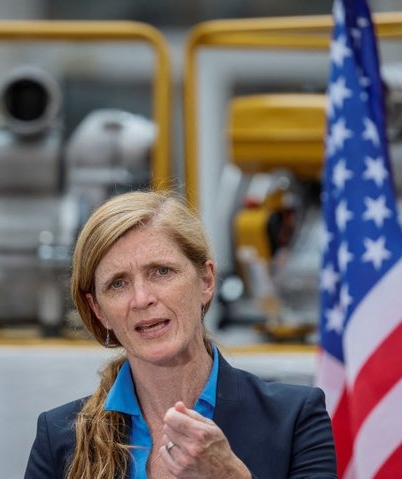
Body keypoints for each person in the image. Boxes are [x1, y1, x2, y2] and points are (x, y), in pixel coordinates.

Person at [24, 190, 337, 479]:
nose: (142, 299)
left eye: (162, 271)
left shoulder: (294, 418)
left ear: (206, 281)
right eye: (118, 283)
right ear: (98, 310)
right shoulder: (59, 438)